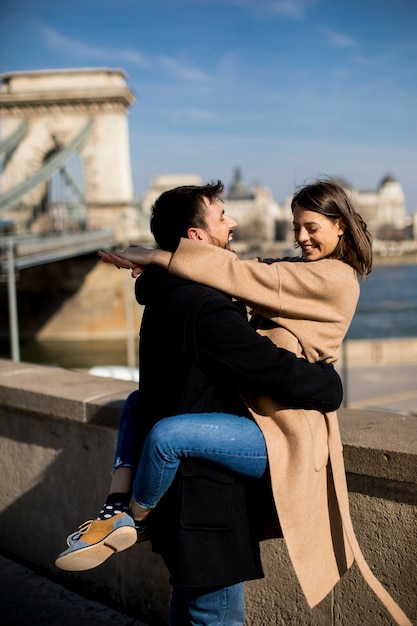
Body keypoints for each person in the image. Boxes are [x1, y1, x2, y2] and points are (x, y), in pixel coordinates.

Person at [57, 180, 411, 625]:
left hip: (286, 425)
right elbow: (249, 270)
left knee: (166, 435)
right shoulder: (254, 285)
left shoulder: (334, 277)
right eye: (296, 226)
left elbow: (248, 275)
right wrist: (168, 266)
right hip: (254, 424)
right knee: (136, 403)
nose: (300, 237)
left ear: (340, 227)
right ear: (197, 234)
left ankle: (132, 516)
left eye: (310, 227)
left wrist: (161, 258)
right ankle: (120, 513)